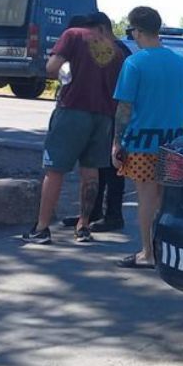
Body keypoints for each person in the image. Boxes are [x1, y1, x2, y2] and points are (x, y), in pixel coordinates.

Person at [22, 16, 125, 244]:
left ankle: (41, 228)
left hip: (72, 110)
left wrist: (65, 73)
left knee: (55, 169)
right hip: (104, 116)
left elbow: (52, 68)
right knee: (91, 171)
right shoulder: (116, 51)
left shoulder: (73, 35)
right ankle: (84, 226)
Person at [113, 6, 183, 268]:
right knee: (165, 200)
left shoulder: (134, 63)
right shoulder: (181, 64)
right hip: (173, 143)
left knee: (147, 199)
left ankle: (147, 252)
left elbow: (125, 107)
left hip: (141, 144)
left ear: (137, 31)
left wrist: (117, 141)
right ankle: (164, 250)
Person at [62, 12, 134, 232]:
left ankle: (113, 215)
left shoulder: (119, 50)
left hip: (114, 114)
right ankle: (92, 212)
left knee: (113, 167)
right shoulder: (105, 47)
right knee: (95, 166)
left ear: (101, 28)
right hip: (99, 113)